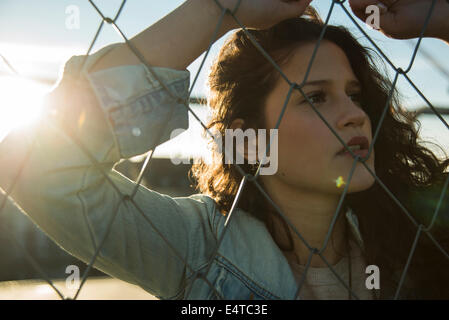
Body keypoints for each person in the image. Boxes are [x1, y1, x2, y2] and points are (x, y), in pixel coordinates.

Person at [0, 0, 449, 300]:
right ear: (250, 139)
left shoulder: (414, 227)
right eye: (314, 97)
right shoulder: (198, 246)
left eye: (354, 93)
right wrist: (219, 9)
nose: (356, 115)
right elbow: (34, 166)